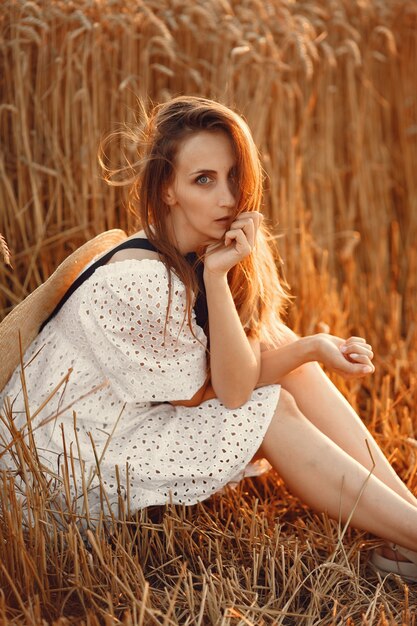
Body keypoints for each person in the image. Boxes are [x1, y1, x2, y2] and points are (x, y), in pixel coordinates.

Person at [1, 96, 416, 579]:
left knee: (281, 354)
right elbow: (229, 392)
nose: (228, 197)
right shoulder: (143, 281)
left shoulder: (185, 252)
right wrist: (299, 339)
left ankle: (405, 529)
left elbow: (244, 363)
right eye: (204, 180)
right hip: (63, 467)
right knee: (272, 408)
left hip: (115, 429)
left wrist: (302, 346)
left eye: (234, 176)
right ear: (168, 189)